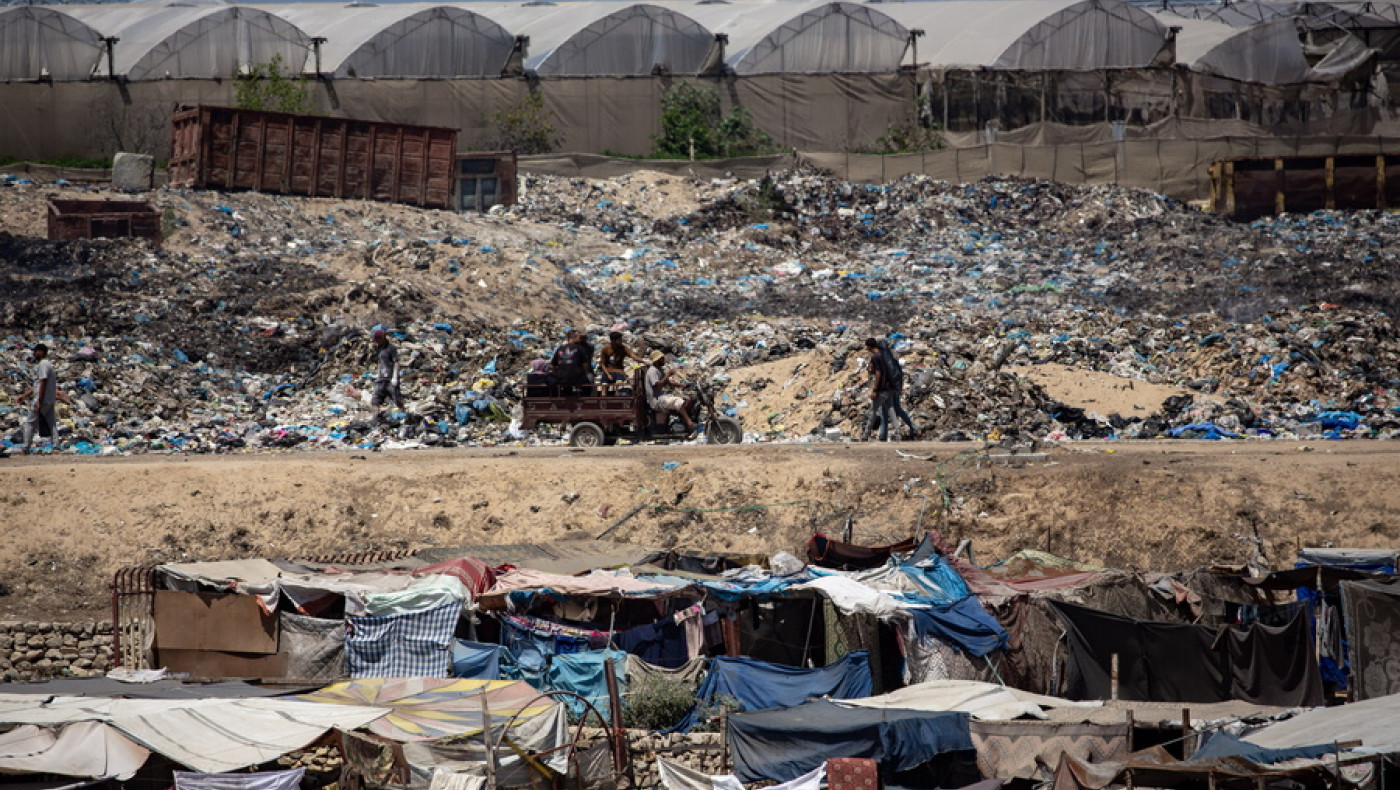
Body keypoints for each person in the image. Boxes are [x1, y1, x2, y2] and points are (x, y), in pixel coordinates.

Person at [20, 343, 68, 455]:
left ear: (41, 352)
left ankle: (25, 447)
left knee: (30, 424)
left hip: (42, 400)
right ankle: (56, 447)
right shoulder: (47, 364)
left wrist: (39, 400)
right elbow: (37, 385)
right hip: (49, 400)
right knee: (52, 424)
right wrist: (24, 396)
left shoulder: (43, 365)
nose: (34, 354)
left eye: (36, 351)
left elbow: (43, 382)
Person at [860, 338, 901, 442]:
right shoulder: (884, 355)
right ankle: (898, 433)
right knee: (891, 410)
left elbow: (878, 373)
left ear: (869, 347)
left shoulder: (875, 357)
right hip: (890, 386)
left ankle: (865, 435)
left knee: (873, 411)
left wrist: (875, 389)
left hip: (882, 388)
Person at [644, 352, 695, 433]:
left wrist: (683, 385)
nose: (664, 360)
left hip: (661, 397)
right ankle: (689, 422)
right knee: (677, 401)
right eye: (662, 359)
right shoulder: (652, 371)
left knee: (686, 398)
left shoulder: (658, 369)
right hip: (656, 401)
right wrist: (668, 374)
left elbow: (668, 382)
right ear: (657, 360)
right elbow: (657, 385)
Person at [878, 338, 918, 439]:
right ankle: (913, 427)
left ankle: (883, 435)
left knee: (884, 412)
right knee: (897, 409)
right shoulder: (893, 358)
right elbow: (899, 374)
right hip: (895, 388)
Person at [549, 330, 594, 395]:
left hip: (561, 378)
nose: (580, 338)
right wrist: (584, 374)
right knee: (588, 385)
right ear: (574, 338)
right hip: (577, 378)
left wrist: (557, 375)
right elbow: (585, 366)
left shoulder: (560, 349)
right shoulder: (580, 349)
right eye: (578, 337)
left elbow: (553, 366)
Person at [371, 328, 404, 415]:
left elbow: (396, 362)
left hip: (390, 379)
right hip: (381, 379)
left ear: (383, 338)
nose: (376, 342)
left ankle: (404, 416)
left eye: (378, 340)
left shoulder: (391, 348)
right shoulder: (379, 348)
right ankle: (375, 420)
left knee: (397, 400)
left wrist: (395, 377)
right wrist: (377, 374)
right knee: (375, 400)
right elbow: (380, 362)